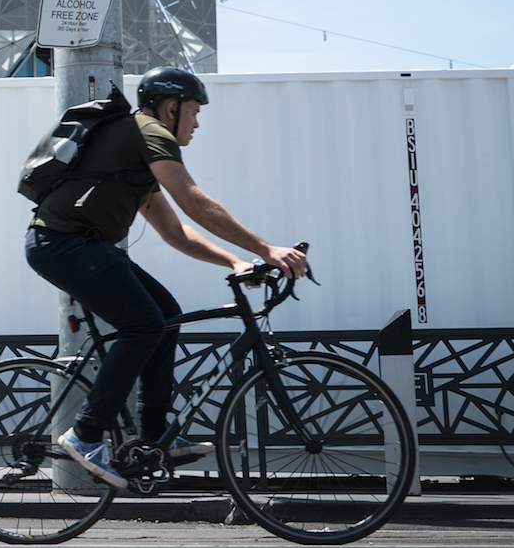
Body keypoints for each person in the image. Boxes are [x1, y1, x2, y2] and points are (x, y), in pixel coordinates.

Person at [25, 67, 308, 491]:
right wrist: (265, 249)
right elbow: (193, 199)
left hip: (81, 246)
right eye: (193, 112)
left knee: (166, 315)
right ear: (170, 107)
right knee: (143, 325)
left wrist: (233, 261)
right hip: (62, 244)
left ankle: (152, 437)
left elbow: (176, 232)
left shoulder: (135, 156)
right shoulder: (148, 131)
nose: (197, 123)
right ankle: (85, 433)